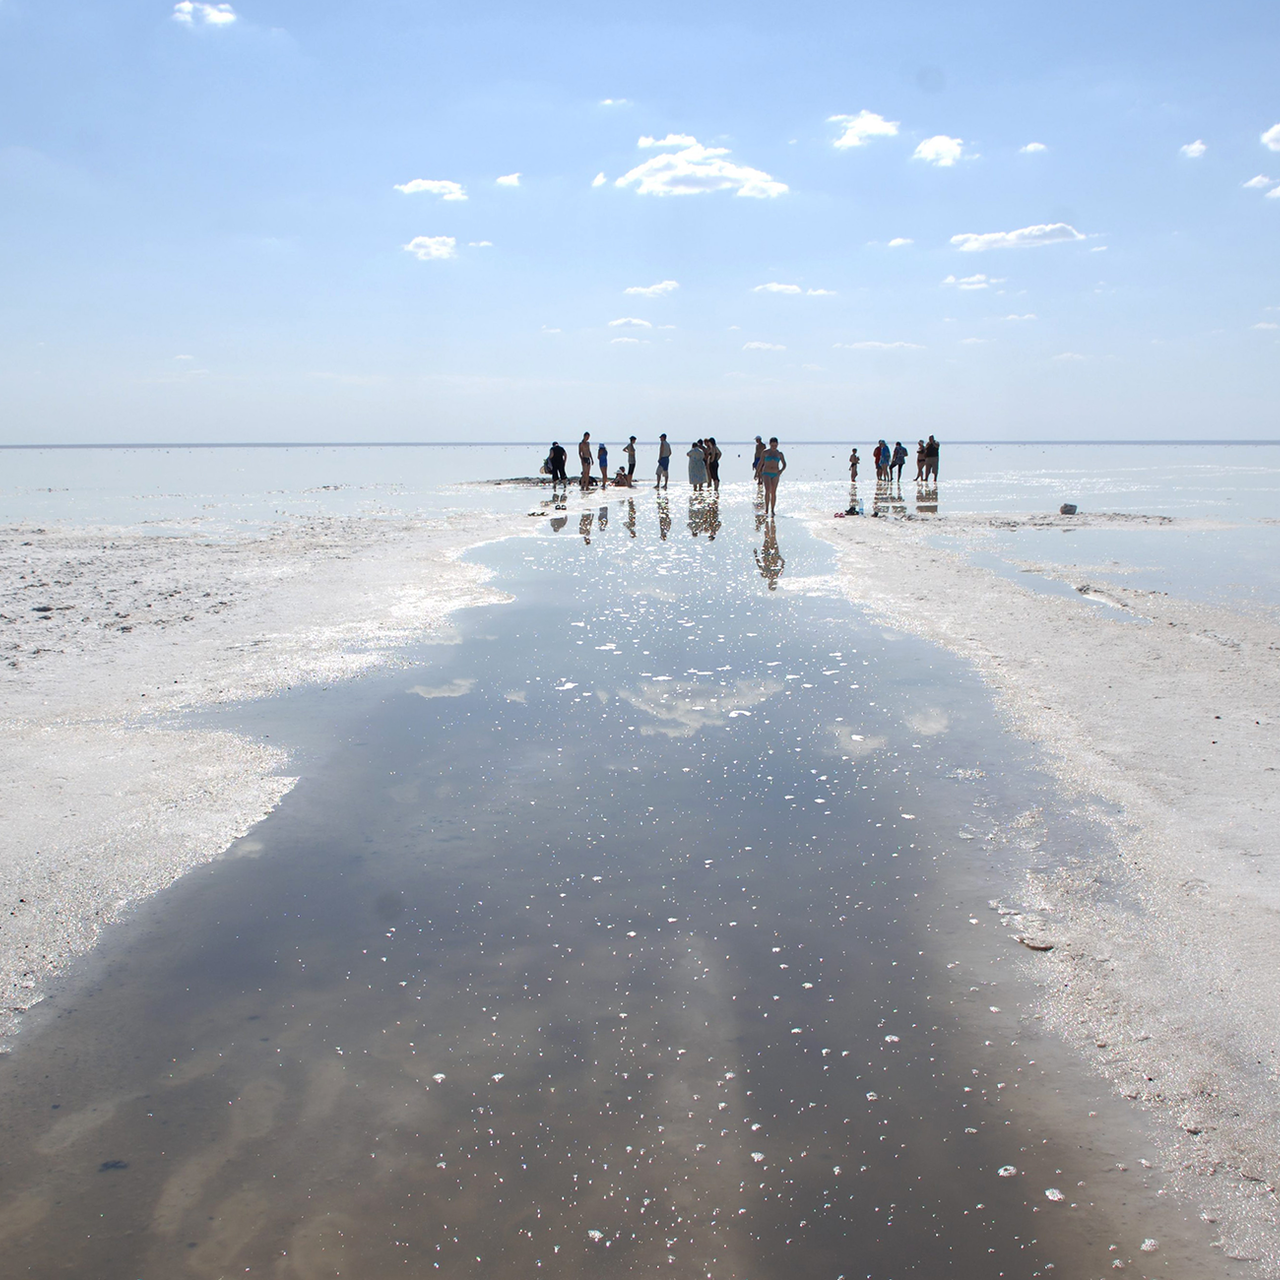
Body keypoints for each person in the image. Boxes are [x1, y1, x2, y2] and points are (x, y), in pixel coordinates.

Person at [759, 436, 786, 516]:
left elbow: (784, 464)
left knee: (773, 492)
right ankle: (766, 509)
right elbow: (760, 463)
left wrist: (781, 471)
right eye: (772, 445)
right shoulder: (765, 452)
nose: (774, 447)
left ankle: (773, 509)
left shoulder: (779, 454)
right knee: (767, 490)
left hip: (775, 473)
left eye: (775, 445)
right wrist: (757, 473)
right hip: (766, 473)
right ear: (770, 444)